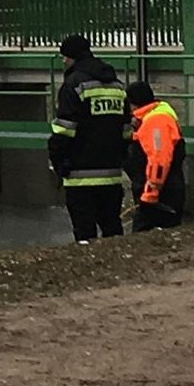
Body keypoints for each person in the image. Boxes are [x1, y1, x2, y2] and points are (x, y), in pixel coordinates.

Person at [47, 35, 130, 243]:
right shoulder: (117, 86)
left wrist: (57, 161)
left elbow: (64, 130)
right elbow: (126, 130)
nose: (63, 61)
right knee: (112, 231)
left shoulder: (74, 85)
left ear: (73, 57)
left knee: (85, 234)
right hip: (112, 174)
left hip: (79, 175)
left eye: (65, 57)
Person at [125, 80, 186, 232]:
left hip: (161, 196)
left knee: (144, 233)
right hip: (165, 190)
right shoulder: (155, 117)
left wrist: (150, 194)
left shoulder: (156, 122)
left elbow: (159, 159)